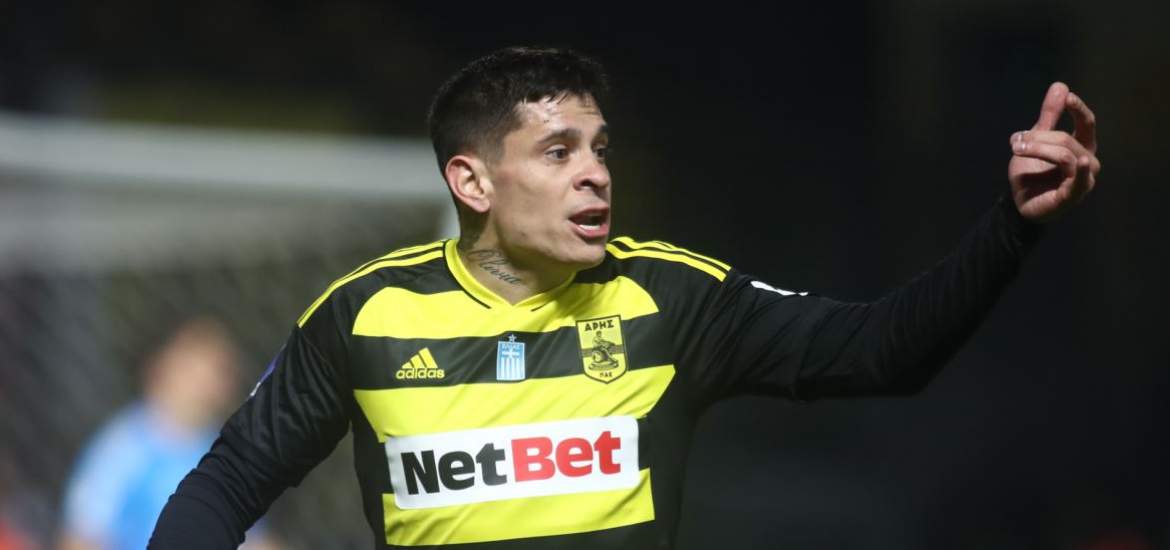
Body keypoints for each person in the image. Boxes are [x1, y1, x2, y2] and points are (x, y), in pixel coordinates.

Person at [150, 47, 1100, 549]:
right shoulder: (366, 315)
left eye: (600, 149)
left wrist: (1011, 227)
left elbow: (885, 351)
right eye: (558, 152)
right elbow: (226, 486)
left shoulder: (668, 298)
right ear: (472, 182)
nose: (595, 174)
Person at [60, 317, 277, 550]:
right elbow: (80, 538)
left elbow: (253, 541)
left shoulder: (227, 453)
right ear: (162, 368)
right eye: (193, 371)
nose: (203, 385)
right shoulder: (122, 448)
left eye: (215, 374)